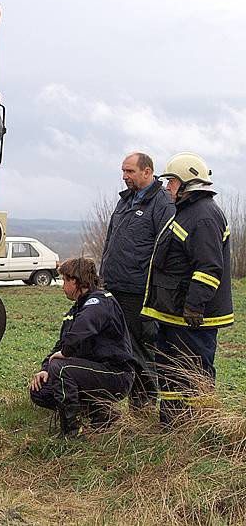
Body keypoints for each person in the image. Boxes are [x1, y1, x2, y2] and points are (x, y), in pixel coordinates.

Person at [141, 152, 233, 425]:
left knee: (194, 371)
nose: (167, 188)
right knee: (172, 371)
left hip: (191, 317)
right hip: (175, 313)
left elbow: (209, 267)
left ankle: (200, 427)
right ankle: (171, 424)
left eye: (171, 182)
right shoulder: (188, 212)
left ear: (187, 183)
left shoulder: (203, 216)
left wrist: (194, 305)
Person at [100, 152, 174, 409]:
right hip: (115, 285)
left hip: (138, 289)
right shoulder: (126, 201)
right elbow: (111, 241)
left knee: (140, 345)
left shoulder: (162, 203)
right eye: (123, 171)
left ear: (147, 171)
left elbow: (166, 248)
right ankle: (132, 397)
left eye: (130, 171)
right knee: (121, 343)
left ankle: (145, 402)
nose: (125, 176)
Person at [30, 257, 135, 438]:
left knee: (61, 369)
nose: (62, 286)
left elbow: (82, 330)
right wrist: (45, 368)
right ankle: (102, 414)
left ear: (75, 281)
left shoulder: (100, 302)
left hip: (116, 374)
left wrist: (64, 354)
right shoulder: (76, 310)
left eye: (64, 280)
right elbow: (61, 343)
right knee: (41, 390)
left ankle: (72, 432)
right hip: (91, 372)